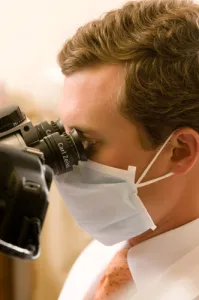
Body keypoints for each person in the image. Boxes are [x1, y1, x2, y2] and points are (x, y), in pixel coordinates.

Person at [55, 0, 199, 299]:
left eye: (87, 143)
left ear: (180, 151)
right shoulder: (98, 260)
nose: (64, 162)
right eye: (63, 134)